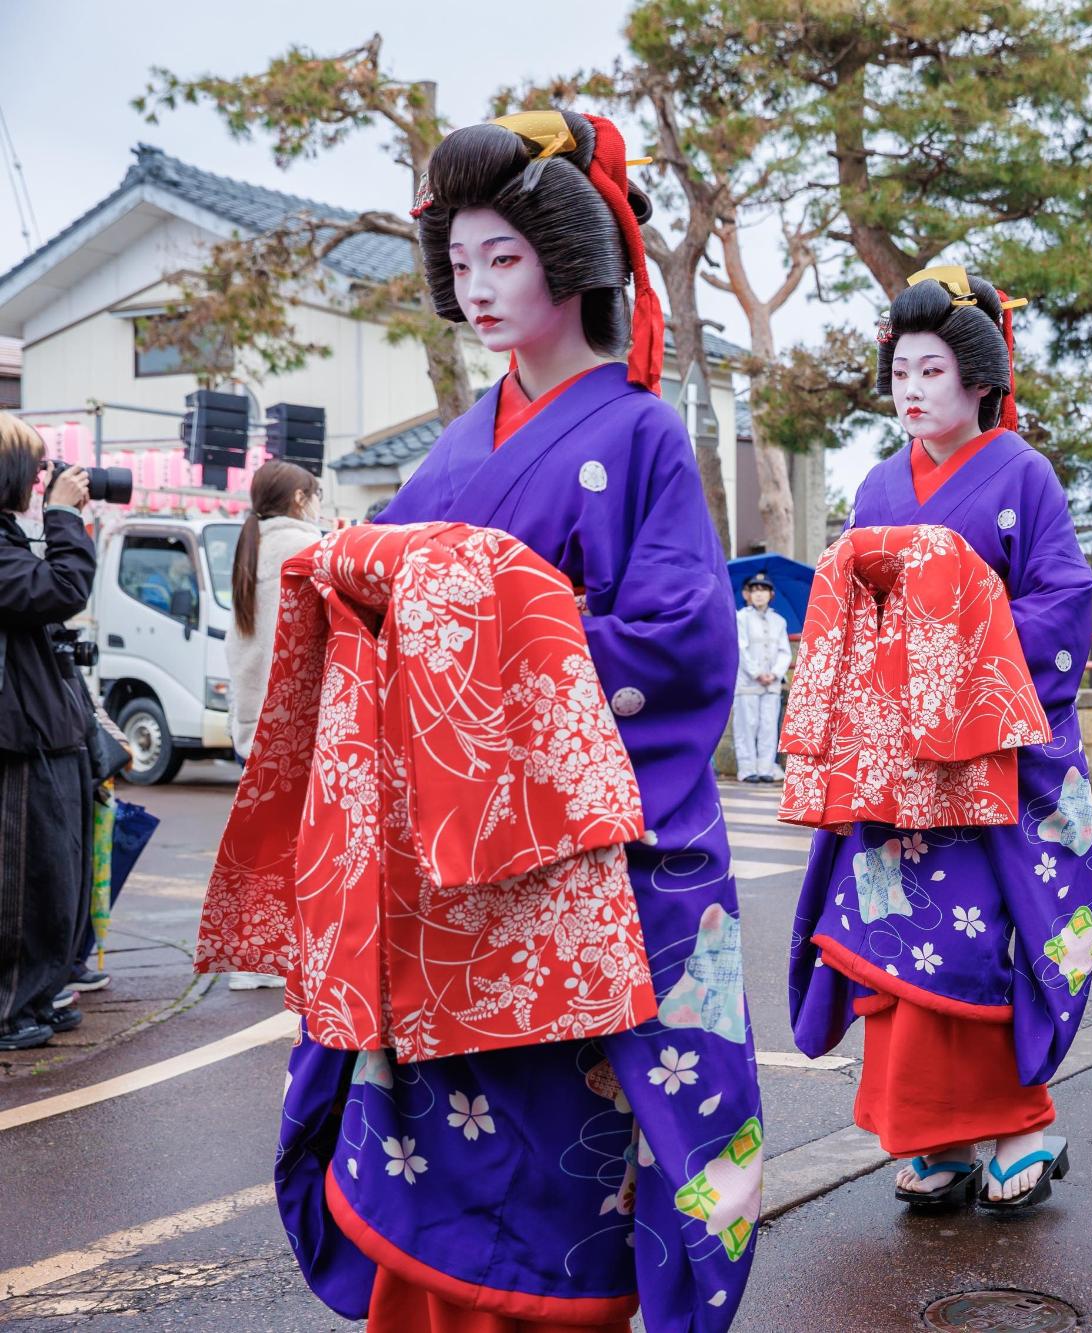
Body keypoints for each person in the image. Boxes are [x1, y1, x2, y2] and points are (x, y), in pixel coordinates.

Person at [238, 110, 764, 1328]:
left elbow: (684, 648)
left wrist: (492, 634)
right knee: (436, 1130)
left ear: (570, 262)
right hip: (444, 854)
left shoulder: (639, 435)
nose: (476, 289)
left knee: (560, 1142)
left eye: (504, 261)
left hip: (571, 852)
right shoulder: (445, 456)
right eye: (460, 264)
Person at [788, 266, 1092, 1212]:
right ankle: (942, 1138)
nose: (912, 389)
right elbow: (845, 614)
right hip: (895, 764)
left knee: (981, 945)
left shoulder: (1024, 473)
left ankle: (1017, 1125)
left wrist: (962, 653)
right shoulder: (878, 483)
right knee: (894, 938)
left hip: (983, 758)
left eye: (931, 371)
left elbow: (1065, 597)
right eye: (900, 372)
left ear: (978, 381)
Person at [0, 413, 96, 1051]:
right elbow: (62, 589)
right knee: (22, 884)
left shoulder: (9, 539)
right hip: (16, 743)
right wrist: (63, 520)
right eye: (36, 467)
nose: (44, 479)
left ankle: (39, 993)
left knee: (57, 880)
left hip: (43, 731)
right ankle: (12, 1006)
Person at [221, 459, 321, 992]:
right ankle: (299, 950)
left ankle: (250, 958)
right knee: (309, 842)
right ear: (301, 499)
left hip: (254, 720)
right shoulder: (306, 547)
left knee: (263, 840)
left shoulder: (251, 547)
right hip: (299, 722)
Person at [732, 571, 789, 783]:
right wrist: (757, 673)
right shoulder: (740, 618)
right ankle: (747, 769)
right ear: (747, 594)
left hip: (772, 683)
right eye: (754, 590)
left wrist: (774, 673)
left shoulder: (779, 621)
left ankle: (766, 768)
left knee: (768, 725)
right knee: (747, 725)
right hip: (748, 682)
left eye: (763, 589)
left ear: (771, 594)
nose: (758, 594)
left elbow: (785, 651)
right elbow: (741, 648)